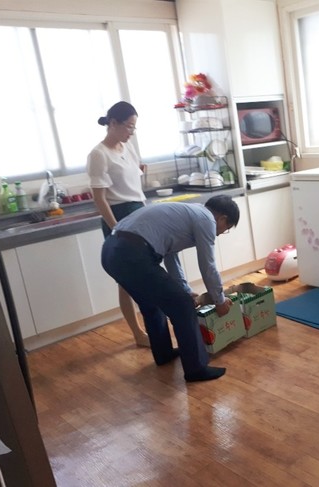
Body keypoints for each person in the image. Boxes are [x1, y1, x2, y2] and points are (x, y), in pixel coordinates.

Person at [101, 195, 239, 382]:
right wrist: (219, 301)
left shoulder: (187, 212)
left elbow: (170, 255)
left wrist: (185, 289)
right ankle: (196, 369)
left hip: (110, 251)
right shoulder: (206, 219)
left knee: (151, 304)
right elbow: (208, 266)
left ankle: (163, 354)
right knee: (183, 306)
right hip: (132, 253)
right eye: (226, 229)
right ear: (222, 218)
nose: (221, 233)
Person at [87, 101, 150, 347]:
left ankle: (154, 324)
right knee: (126, 279)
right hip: (119, 217)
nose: (131, 132)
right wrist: (116, 228)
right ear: (113, 123)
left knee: (147, 272)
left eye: (134, 127)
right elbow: (99, 198)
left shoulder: (127, 146)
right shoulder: (98, 154)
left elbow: (133, 183)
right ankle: (138, 333)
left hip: (138, 212)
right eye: (128, 126)